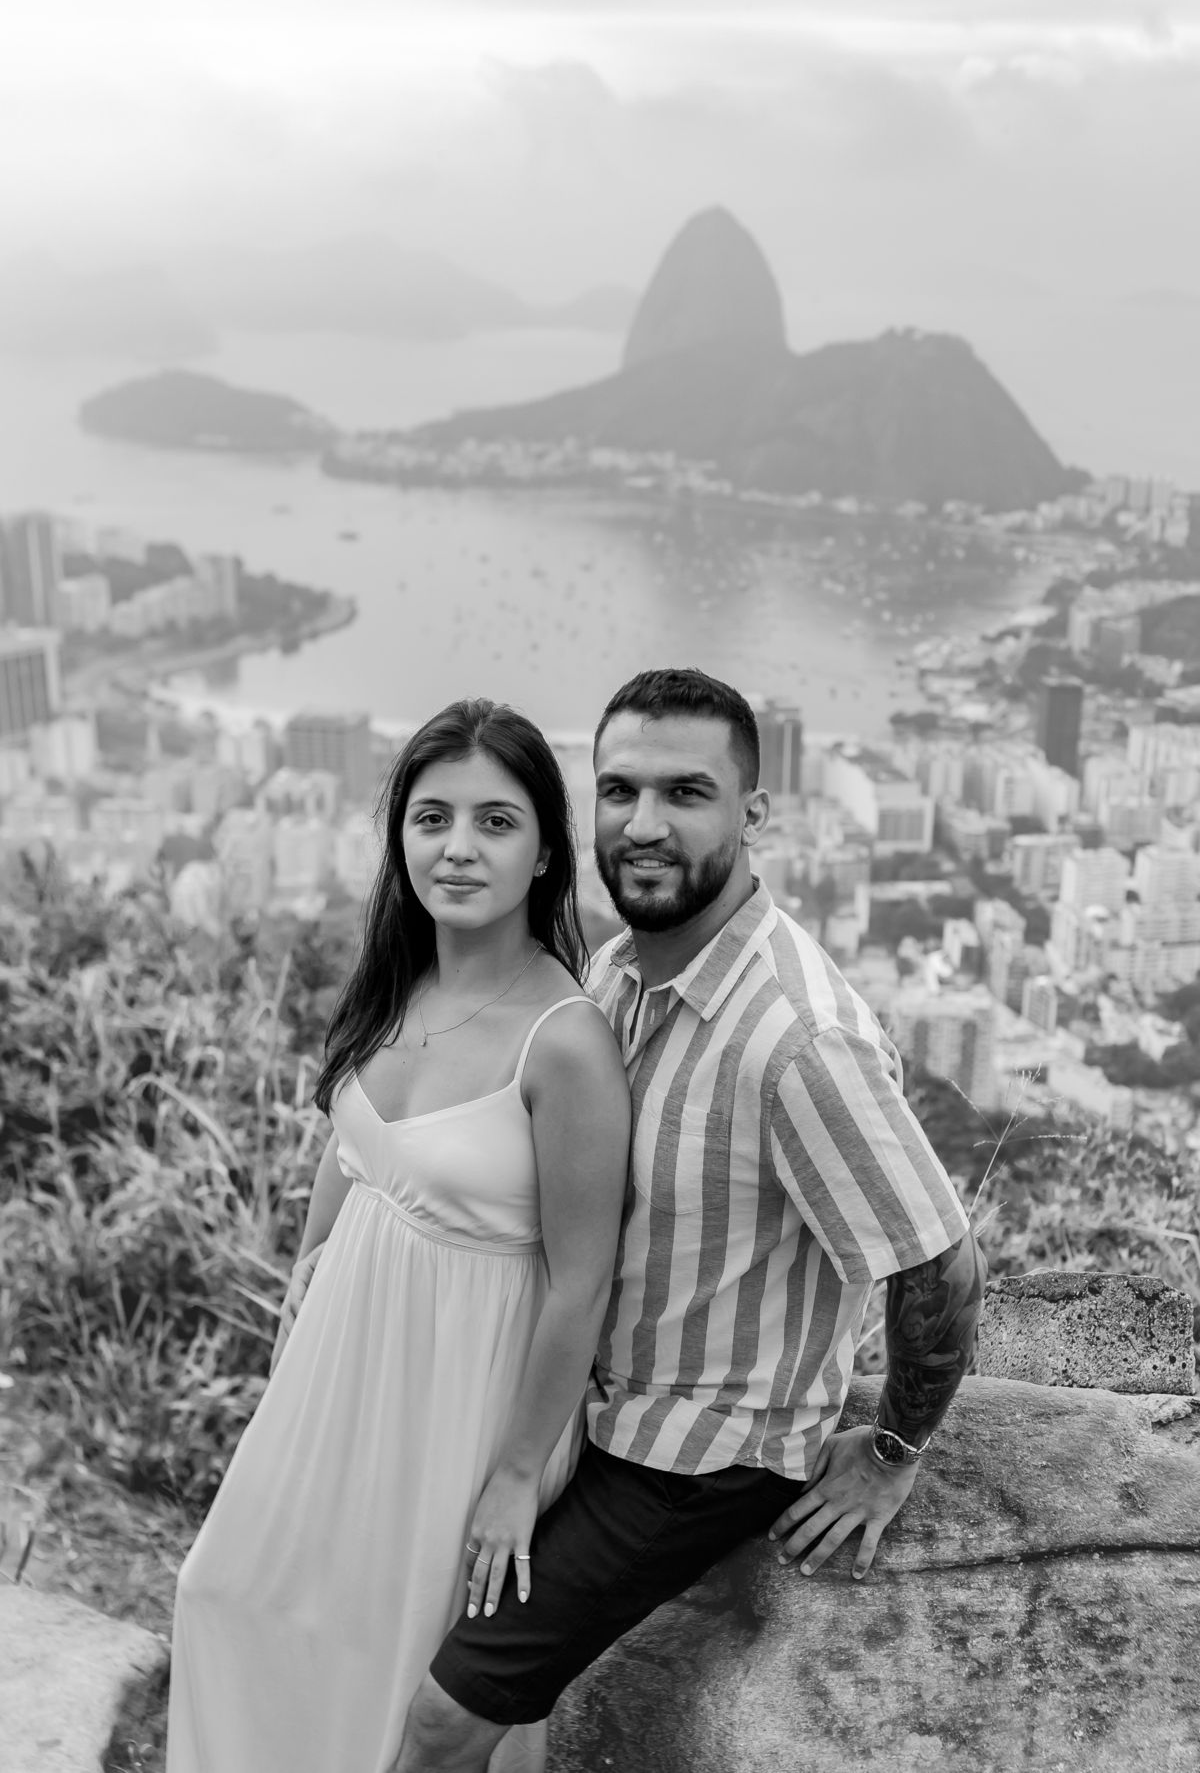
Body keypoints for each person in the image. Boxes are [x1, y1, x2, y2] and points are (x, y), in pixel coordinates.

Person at [395, 668, 987, 1772]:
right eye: (619, 791)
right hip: (590, 1402)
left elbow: (941, 1263)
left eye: (686, 793)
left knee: (442, 1718)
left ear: (753, 813)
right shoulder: (620, 971)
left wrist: (897, 1447)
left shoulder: (796, 1040)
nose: (644, 824)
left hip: (690, 1459)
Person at [166, 698, 631, 1773]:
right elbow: (352, 1155)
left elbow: (581, 1282)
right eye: (432, 818)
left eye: (494, 821)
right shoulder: (398, 981)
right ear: (400, 837)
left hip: (463, 1396)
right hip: (340, 1365)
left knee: (396, 1658)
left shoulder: (565, 1045)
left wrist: (517, 1476)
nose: (457, 847)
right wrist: (302, 1292)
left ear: (545, 852)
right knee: (229, 1593)